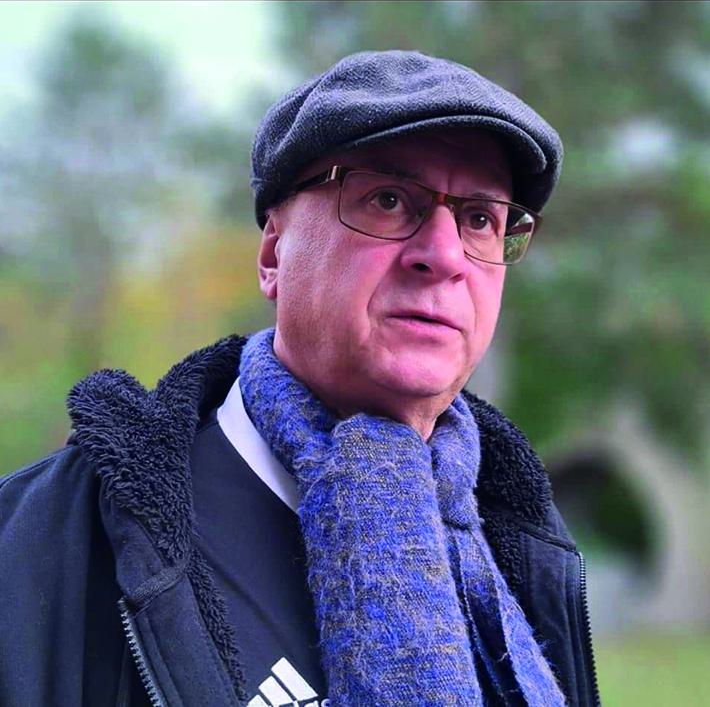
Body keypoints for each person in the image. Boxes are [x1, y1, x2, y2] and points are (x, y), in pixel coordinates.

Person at [0, 50, 599, 706]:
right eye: (388, 199)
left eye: (480, 218)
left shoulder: (518, 539)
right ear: (272, 254)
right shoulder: (42, 548)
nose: (445, 255)